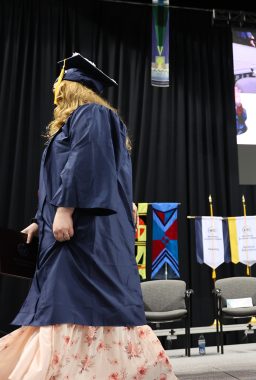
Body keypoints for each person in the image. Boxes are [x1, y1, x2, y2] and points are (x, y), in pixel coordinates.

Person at [0, 53, 177, 379]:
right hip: (71, 236)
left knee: (75, 302)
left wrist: (65, 210)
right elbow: (63, 174)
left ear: (73, 88)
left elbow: (87, 162)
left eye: (60, 84)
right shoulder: (79, 122)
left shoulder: (92, 114)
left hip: (87, 237)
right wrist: (42, 220)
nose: (55, 90)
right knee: (63, 303)